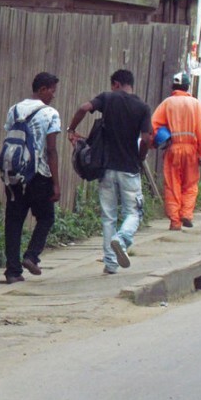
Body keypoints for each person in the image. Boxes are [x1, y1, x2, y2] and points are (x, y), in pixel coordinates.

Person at [67, 69, 152, 274]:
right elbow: (147, 139)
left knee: (108, 216)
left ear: (115, 84)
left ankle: (111, 263)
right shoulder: (143, 107)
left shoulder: (107, 98)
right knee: (133, 212)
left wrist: (71, 129)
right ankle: (121, 240)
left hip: (105, 168)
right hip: (129, 168)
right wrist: (140, 156)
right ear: (130, 84)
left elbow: (83, 107)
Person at [2, 72, 61, 284]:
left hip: (15, 174)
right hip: (39, 175)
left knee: (14, 221)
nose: (53, 95)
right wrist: (56, 183)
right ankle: (31, 256)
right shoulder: (50, 114)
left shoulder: (14, 109)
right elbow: (51, 150)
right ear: (43, 89)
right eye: (52, 90)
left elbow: (11, 137)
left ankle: (12, 271)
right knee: (46, 217)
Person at [151, 71, 201, 231]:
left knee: (172, 184)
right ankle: (187, 214)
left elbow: (153, 126)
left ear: (173, 87)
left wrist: (157, 141)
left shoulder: (167, 103)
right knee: (190, 184)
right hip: (191, 150)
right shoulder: (195, 104)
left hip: (173, 149)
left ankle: (175, 221)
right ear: (187, 86)